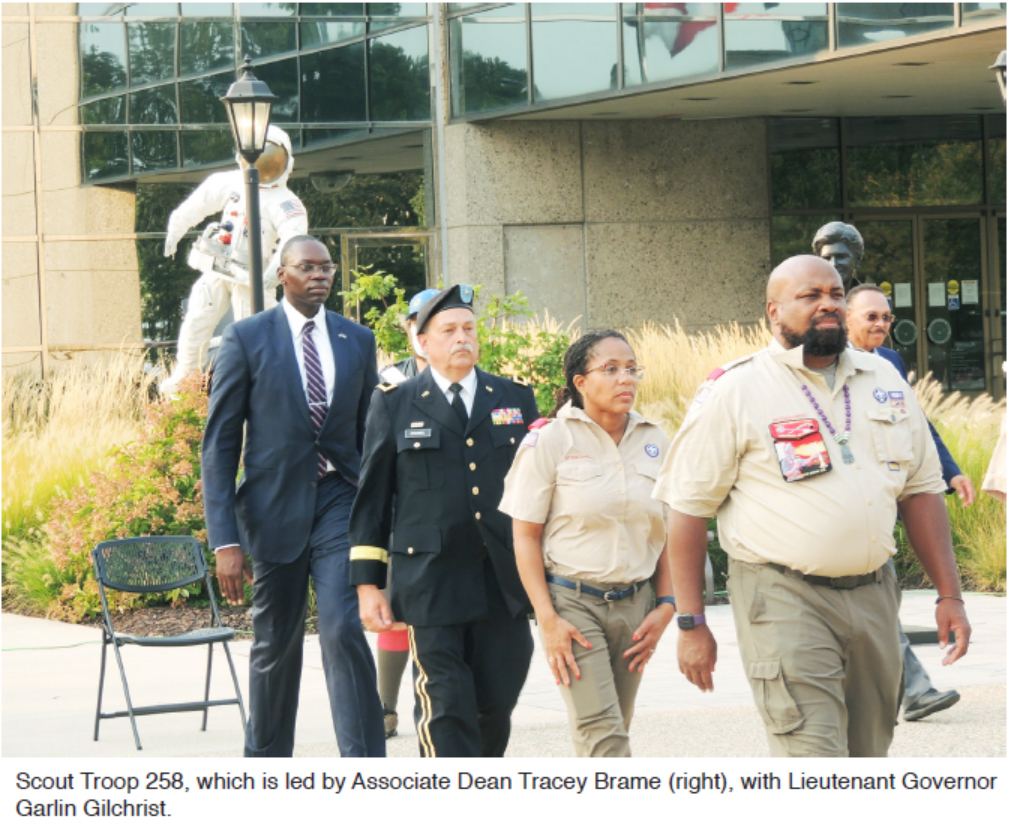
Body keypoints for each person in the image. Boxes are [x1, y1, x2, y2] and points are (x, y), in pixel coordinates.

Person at [653, 255, 971, 757]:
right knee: (812, 756)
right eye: (810, 296)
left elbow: (921, 491)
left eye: (836, 294)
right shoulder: (736, 389)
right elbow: (687, 509)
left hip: (874, 595)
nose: (828, 304)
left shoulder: (885, 380)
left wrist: (949, 595)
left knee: (869, 752)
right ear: (774, 311)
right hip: (783, 596)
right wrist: (691, 623)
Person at [202, 234, 386, 758]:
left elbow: (371, 437)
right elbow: (218, 447)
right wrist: (225, 541)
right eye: (307, 267)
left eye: (326, 267)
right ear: (282, 274)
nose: (320, 275)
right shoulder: (246, 338)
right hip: (273, 509)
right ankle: (266, 768)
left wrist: (381, 514)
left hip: (338, 501)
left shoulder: (357, 339)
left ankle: (366, 767)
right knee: (274, 646)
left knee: (342, 627)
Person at [349, 284, 540, 757]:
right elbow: (372, 499)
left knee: (496, 702)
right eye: (449, 330)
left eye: (469, 329)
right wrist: (368, 585)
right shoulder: (394, 402)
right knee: (445, 707)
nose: (462, 338)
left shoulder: (514, 399)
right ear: (423, 342)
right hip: (431, 582)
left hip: (503, 581)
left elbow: (542, 493)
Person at [499, 331, 676, 757]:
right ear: (580, 382)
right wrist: (548, 618)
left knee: (613, 728)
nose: (626, 379)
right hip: (573, 605)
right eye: (611, 369)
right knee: (605, 737)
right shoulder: (551, 441)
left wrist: (667, 605)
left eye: (632, 369)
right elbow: (525, 535)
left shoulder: (657, 441)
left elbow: (667, 531)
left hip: (635, 607)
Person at [845, 283, 970, 722]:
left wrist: (950, 470)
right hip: (848, 502)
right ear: (846, 318)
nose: (881, 324)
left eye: (886, 318)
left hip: (892, 494)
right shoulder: (821, 361)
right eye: (871, 317)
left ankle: (894, 690)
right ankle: (914, 689)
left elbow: (918, 426)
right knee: (878, 593)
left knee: (878, 594)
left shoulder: (891, 361)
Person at [161, 125, 308, 395]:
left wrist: (270, 275)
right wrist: (174, 230)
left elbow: (292, 243)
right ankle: (186, 378)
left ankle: (265, 381)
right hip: (218, 266)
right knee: (197, 320)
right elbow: (195, 206)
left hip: (252, 277)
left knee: (257, 328)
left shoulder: (287, 202)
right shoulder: (227, 182)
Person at [373, 286, 438, 739]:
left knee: (437, 616)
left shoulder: (476, 379)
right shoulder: (389, 382)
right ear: (410, 328)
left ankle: (431, 703)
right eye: (422, 320)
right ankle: (384, 706)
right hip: (402, 516)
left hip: (451, 517)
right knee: (396, 614)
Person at [812, 221, 865, 294]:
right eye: (827, 258)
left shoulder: (873, 302)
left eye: (841, 257)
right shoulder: (806, 302)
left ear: (857, 260)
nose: (834, 264)